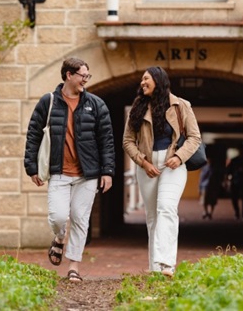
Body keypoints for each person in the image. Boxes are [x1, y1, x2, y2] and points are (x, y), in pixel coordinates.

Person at [24, 57, 116, 282]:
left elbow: (106, 140)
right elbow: (33, 134)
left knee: (80, 218)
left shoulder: (96, 104)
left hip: (88, 175)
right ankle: (59, 237)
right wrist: (31, 167)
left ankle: (73, 266)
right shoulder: (49, 102)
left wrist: (108, 171)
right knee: (58, 217)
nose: (86, 79)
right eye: (83, 75)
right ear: (69, 75)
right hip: (59, 172)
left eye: (87, 75)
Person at [122, 66, 201, 278]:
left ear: (158, 80)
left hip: (173, 164)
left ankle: (167, 264)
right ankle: (156, 268)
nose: (142, 82)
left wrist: (179, 156)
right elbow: (128, 141)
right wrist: (143, 162)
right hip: (147, 166)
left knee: (166, 209)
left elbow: (194, 137)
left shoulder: (181, 105)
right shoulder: (137, 107)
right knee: (152, 217)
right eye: (141, 79)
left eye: (146, 79)